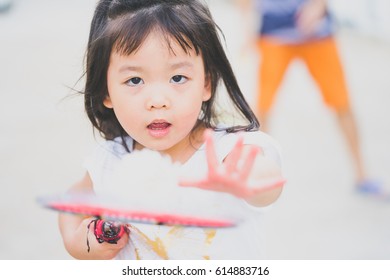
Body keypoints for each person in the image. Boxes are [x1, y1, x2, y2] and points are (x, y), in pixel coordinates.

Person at [59, 0, 285, 260]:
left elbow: (266, 181)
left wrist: (245, 177)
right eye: (135, 80)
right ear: (105, 91)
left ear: (206, 83)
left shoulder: (225, 151)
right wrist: (76, 241)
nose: (158, 100)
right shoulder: (109, 160)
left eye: (178, 78)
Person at [237, 0, 380, 193]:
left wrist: (318, 5)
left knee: (341, 102)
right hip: (273, 33)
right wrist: (247, 26)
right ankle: (259, 173)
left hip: (317, 32)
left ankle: (362, 174)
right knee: (263, 107)